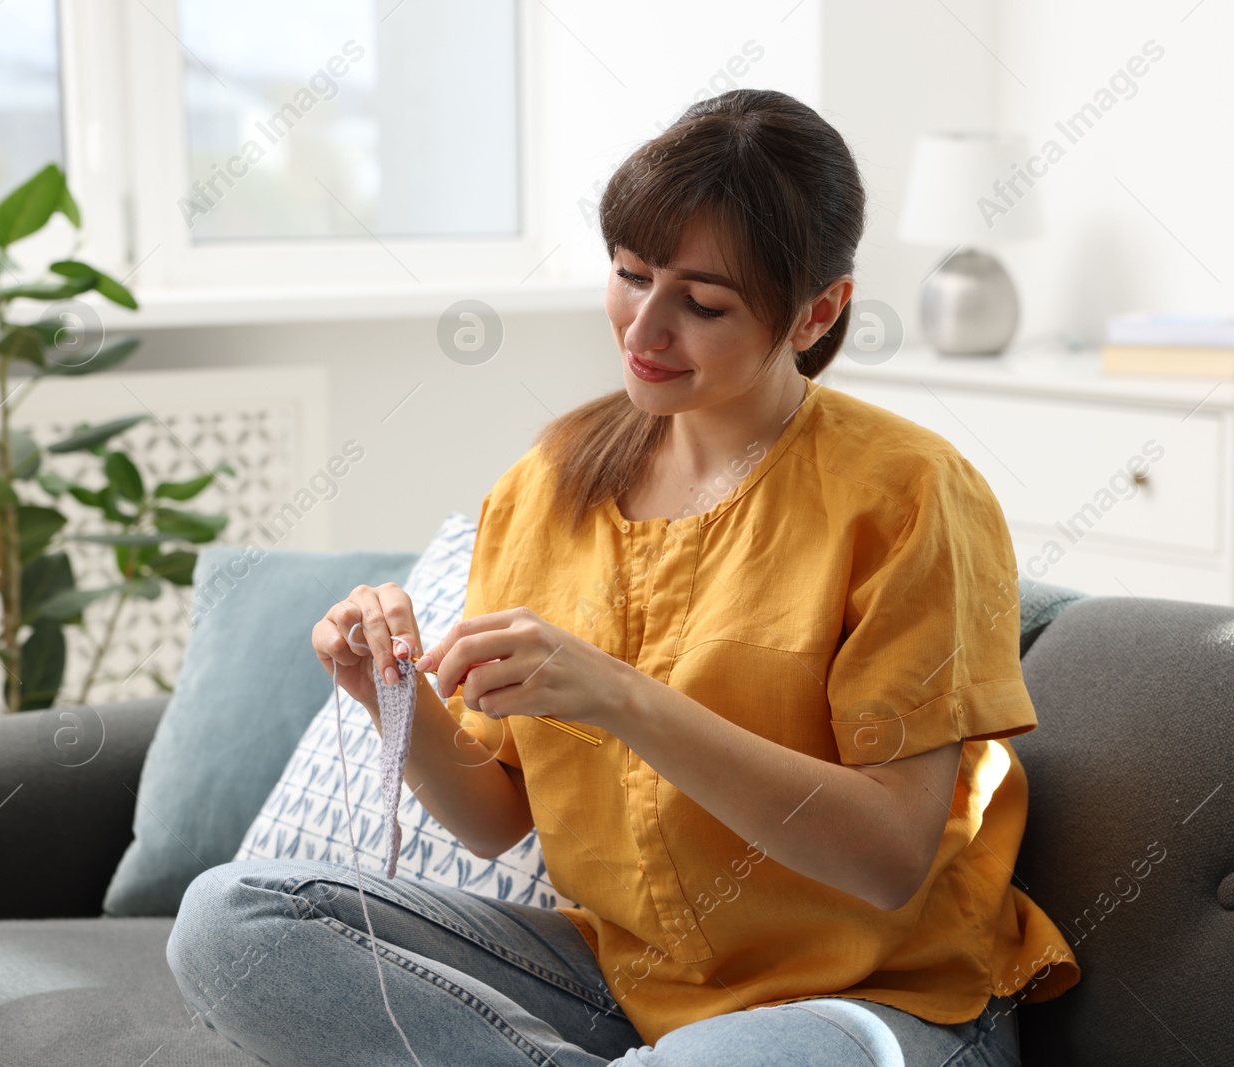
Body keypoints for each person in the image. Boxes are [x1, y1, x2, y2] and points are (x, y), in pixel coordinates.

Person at [167, 88, 1079, 1067]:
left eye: (702, 303)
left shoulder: (908, 493)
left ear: (818, 311)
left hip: (874, 1001)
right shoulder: (545, 486)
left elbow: (890, 858)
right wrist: (388, 693)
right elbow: (493, 814)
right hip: (624, 980)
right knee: (233, 921)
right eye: (629, 273)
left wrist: (622, 697)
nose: (643, 328)